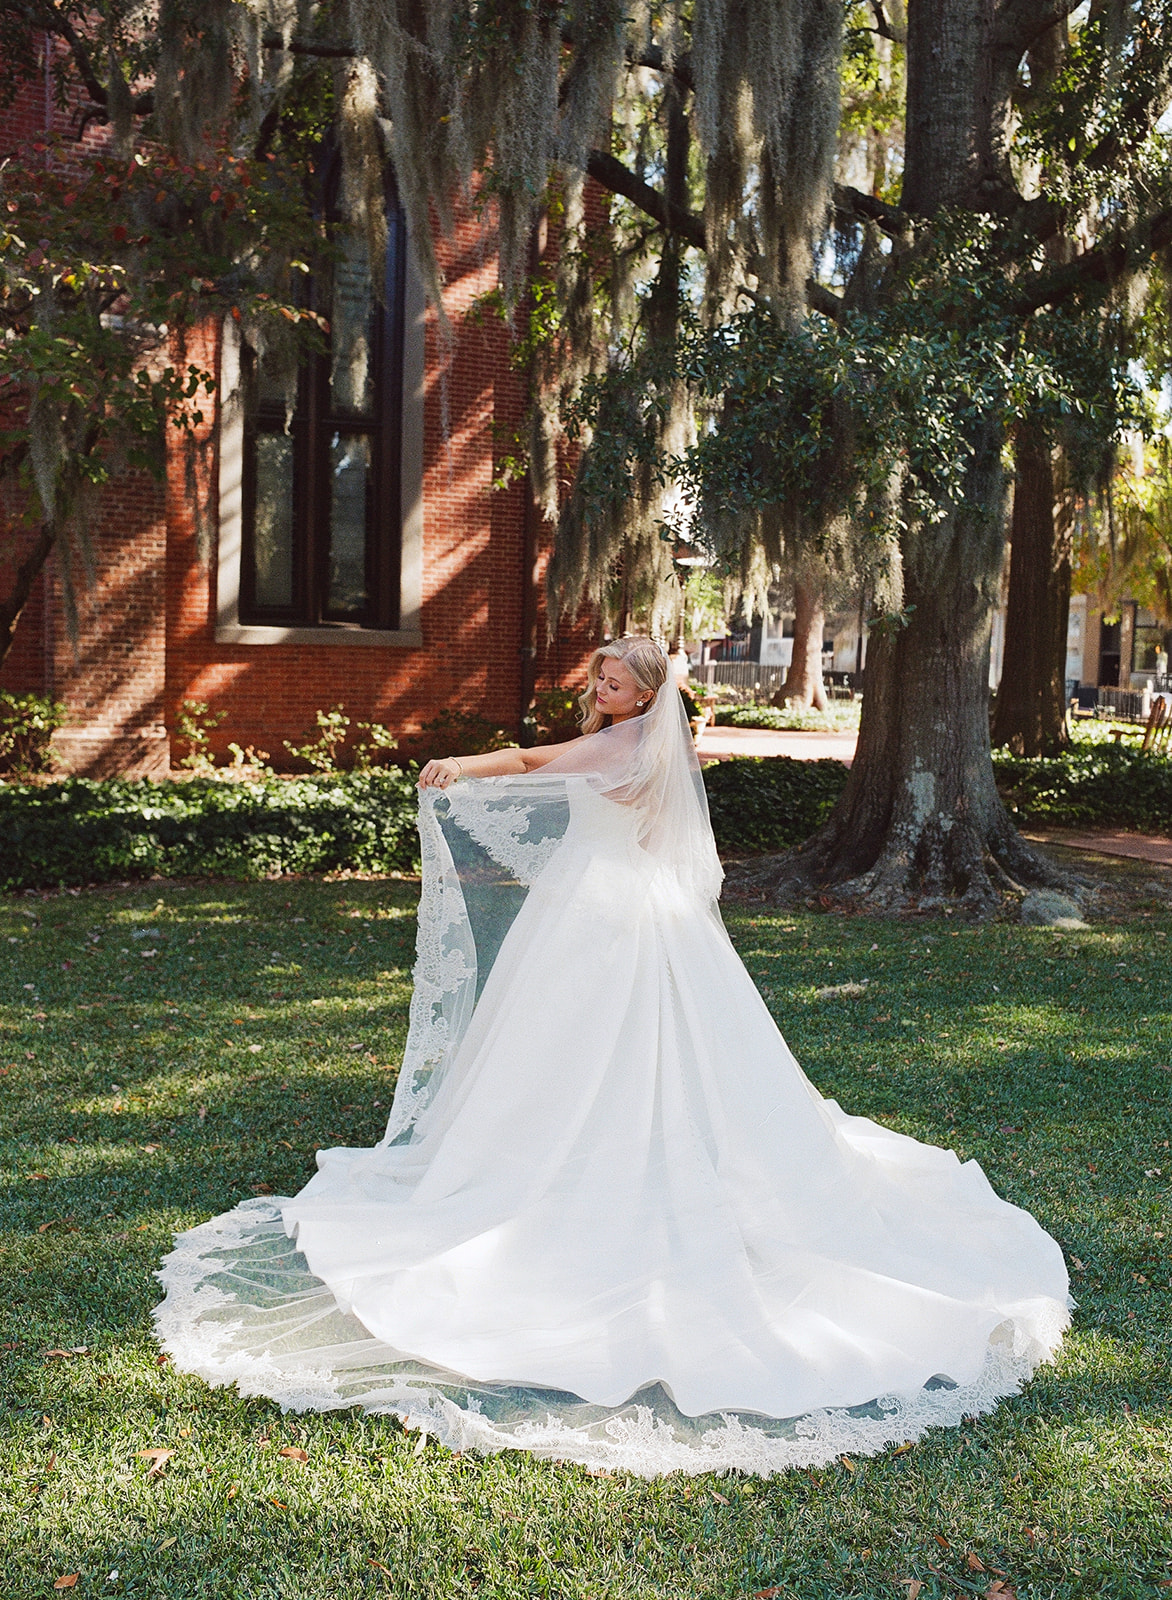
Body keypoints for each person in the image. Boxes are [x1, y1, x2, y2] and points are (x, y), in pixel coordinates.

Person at [154, 637, 1070, 1476]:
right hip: (636, 911)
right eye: (598, 679)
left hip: (597, 917)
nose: (599, 690)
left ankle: (562, 1175)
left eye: (615, 683)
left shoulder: (617, 747)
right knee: (596, 1049)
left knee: (587, 1043)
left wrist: (454, 767)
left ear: (645, 698)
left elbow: (525, 764)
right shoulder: (653, 746)